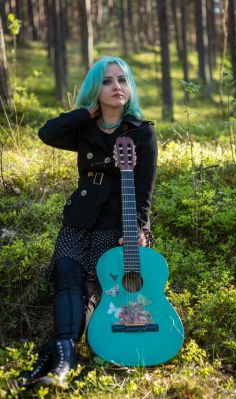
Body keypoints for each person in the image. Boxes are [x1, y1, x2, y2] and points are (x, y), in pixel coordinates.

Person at [19, 56, 158, 388]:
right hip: (79, 218)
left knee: (93, 287)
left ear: (130, 86)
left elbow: (144, 190)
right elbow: (47, 132)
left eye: (122, 80)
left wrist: (139, 228)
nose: (116, 87)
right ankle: (62, 355)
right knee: (67, 275)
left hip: (116, 221)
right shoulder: (84, 128)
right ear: (96, 89)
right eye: (107, 81)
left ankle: (54, 358)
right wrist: (87, 112)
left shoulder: (141, 132)